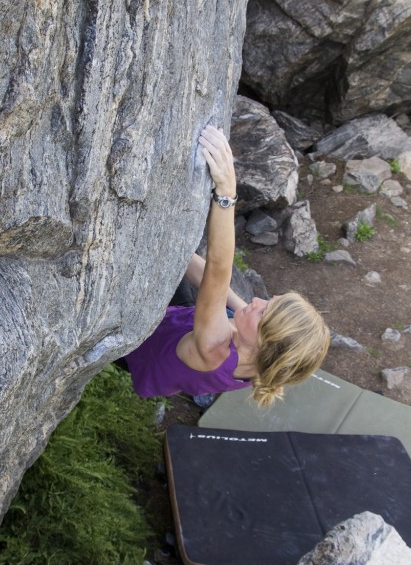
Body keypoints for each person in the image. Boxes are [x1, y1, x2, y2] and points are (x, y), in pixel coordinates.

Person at [125, 124, 330, 408]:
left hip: (136, 347)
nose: (257, 300)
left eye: (263, 312)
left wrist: (226, 193)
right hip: (176, 323)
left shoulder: (214, 350)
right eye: (269, 302)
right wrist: (167, 245)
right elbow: (214, 284)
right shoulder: (256, 356)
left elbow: (217, 271)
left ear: (264, 344)